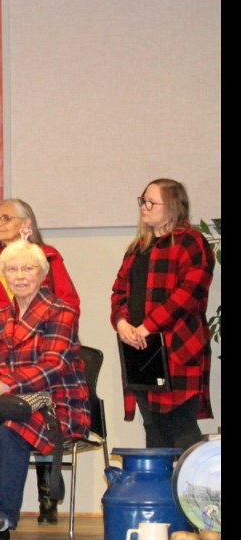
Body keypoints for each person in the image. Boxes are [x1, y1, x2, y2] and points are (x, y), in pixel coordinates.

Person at [0, 241, 89, 540]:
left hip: (55, 405)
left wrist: (2, 385)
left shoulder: (61, 312)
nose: (20, 275)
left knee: (9, 432)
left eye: (27, 268)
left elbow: (52, 366)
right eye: (12, 269)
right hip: (9, 404)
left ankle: (1, 519)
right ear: (4, 277)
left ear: (42, 273)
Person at [111, 179, 215, 449]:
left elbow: (188, 294)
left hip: (178, 350)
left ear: (171, 206)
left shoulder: (190, 241)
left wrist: (148, 326)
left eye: (151, 202)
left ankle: (191, 491)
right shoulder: (137, 249)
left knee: (181, 428)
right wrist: (121, 323)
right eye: (142, 201)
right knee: (153, 428)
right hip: (141, 351)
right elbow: (119, 291)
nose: (144, 207)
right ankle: (160, 492)